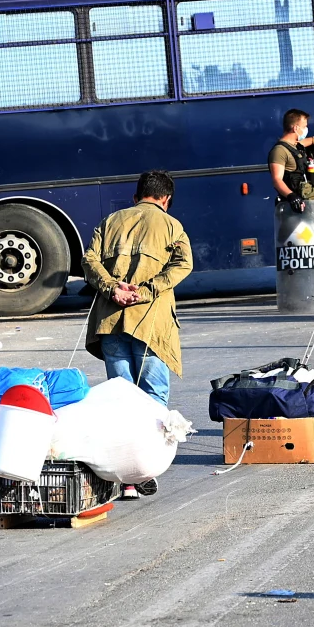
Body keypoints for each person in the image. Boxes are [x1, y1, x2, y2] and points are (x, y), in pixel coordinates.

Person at [82, 170, 192, 500]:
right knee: (152, 400)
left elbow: (89, 260)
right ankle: (144, 469)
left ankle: (126, 479)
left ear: (136, 196)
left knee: (121, 398)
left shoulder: (110, 221)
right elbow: (183, 264)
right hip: (151, 323)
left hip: (112, 320)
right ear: (166, 200)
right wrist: (147, 290)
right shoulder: (172, 226)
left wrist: (112, 287)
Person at [268, 108, 314, 213]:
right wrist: (291, 196)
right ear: (296, 128)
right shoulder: (279, 151)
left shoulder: (295, 146)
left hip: (307, 204)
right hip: (293, 208)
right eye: (304, 127)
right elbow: (277, 180)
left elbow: (302, 143)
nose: (306, 129)